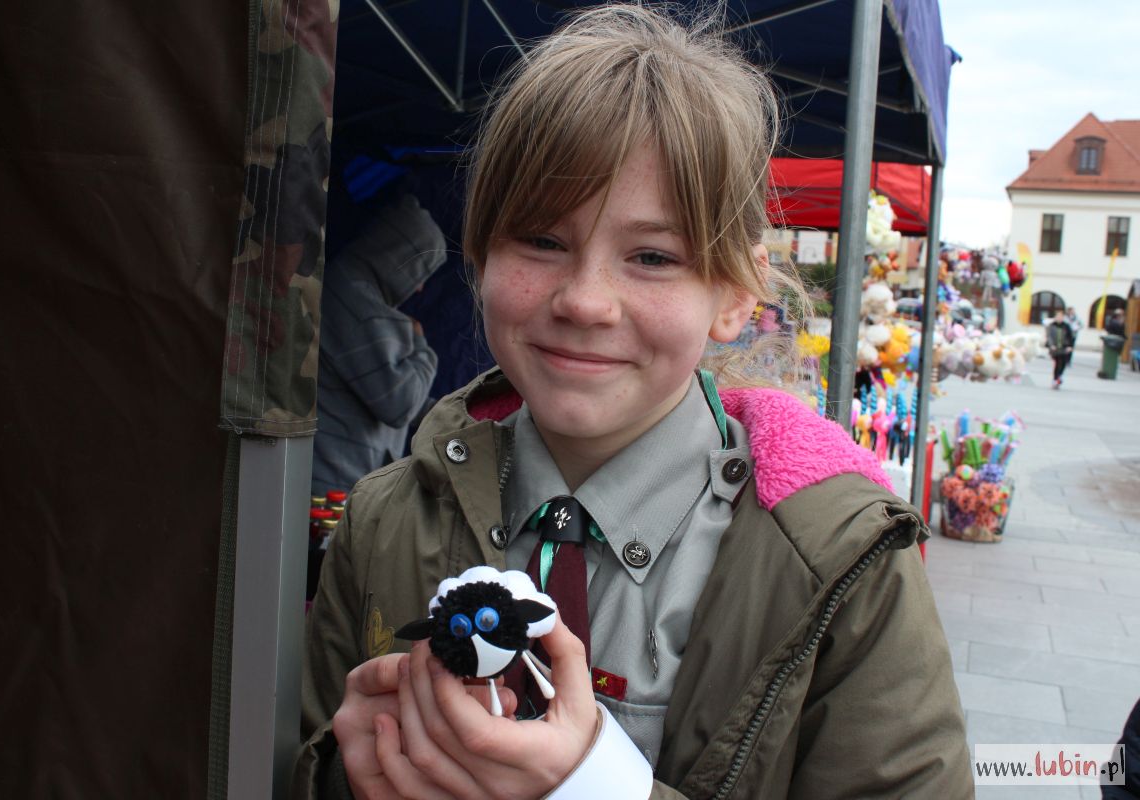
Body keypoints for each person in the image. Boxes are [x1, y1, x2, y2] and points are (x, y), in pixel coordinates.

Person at [293, 5, 972, 799]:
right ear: (479, 255)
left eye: (652, 257)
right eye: (542, 241)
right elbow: (296, 755)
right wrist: (341, 777)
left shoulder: (841, 566)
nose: (585, 300)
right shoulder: (381, 523)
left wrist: (595, 787)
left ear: (734, 293)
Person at [312, 193, 447, 496]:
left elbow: (386, 392)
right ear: (397, 256)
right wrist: (422, 348)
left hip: (347, 480)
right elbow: (399, 403)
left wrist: (456, 414)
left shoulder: (355, 295)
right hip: (335, 485)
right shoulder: (352, 300)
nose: (419, 287)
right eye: (419, 270)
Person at [1046, 308, 1075, 388]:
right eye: (1058, 316)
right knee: (1057, 363)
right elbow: (1049, 336)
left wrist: (1070, 346)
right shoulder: (1051, 326)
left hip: (1064, 347)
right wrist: (1051, 345)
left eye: (1061, 316)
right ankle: (1055, 379)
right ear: (1055, 317)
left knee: (1063, 363)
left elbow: (1071, 337)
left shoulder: (1066, 326)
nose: (1059, 318)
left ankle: (1060, 376)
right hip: (1055, 348)